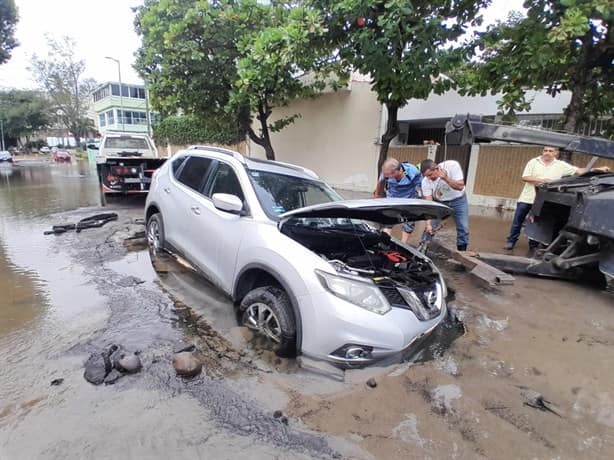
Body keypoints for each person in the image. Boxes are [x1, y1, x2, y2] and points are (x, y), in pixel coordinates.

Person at [503, 146, 610, 251]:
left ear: (556, 153)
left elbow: (579, 171)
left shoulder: (561, 165)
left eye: (550, 151)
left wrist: (597, 169)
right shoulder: (533, 162)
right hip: (527, 198)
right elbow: (525, 177)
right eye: (545, 150)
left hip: (543, 201)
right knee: (518, 221)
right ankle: (511, 241)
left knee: (539, 222)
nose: (547, 152)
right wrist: (543, 180)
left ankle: (533, 245)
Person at [420, 159, 469, 251]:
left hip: (458, 200)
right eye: (426, 176)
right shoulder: (425, 181)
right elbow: (429, 204)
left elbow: (460, 186)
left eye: (430, 175)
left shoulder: (452, 166)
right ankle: (423, 248)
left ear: (437, 168)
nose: (429, 178)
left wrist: (446, 178)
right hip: (440, 202)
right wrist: (428, 224)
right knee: (430, 227)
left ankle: (462, 251)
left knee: (463, 227)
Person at [374, 158, 422, 244]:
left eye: (389, 175)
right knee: (388, 218)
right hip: (392, 197)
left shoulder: (412, 172)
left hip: (409, 199)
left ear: (399, 170)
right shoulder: (386, 172)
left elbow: (423, 185)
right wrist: (377, 195)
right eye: (386, 175)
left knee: (408, 221)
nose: (387, 176)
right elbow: (380, 181)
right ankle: (385, 241)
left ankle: (403, 244)